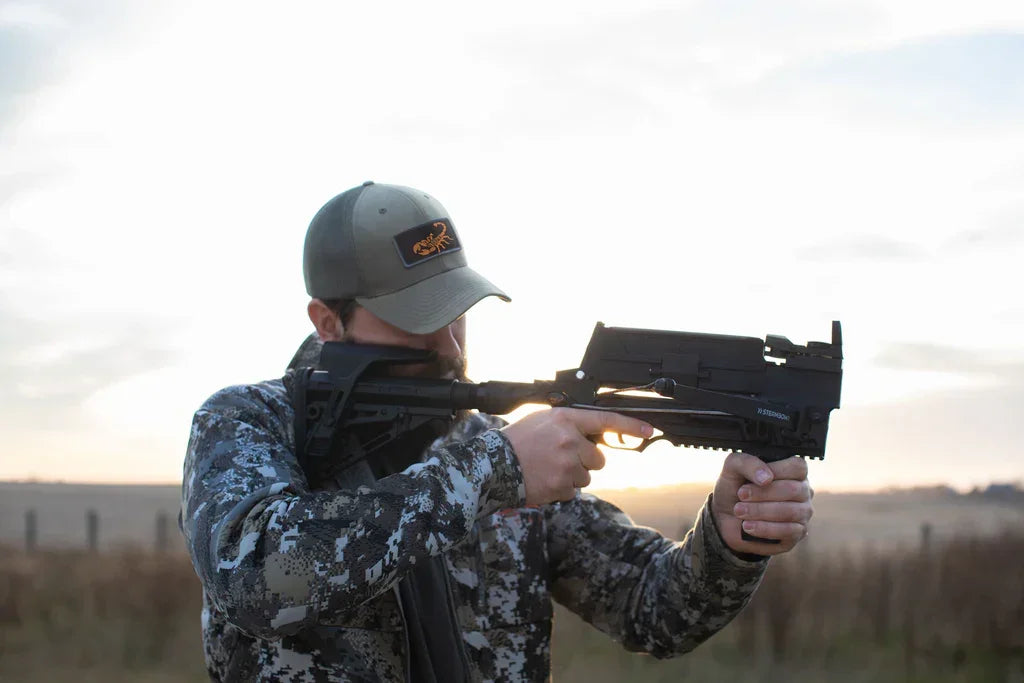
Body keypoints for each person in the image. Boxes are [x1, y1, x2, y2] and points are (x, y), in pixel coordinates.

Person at [180, 181, 814, 682]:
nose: (448, 342)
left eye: (457, 311)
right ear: (328, 321)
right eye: (415, 318)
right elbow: (259, 582)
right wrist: (490, 471)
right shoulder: (250, 423)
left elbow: (656, 613)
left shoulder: (484, 445)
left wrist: (731, 541)